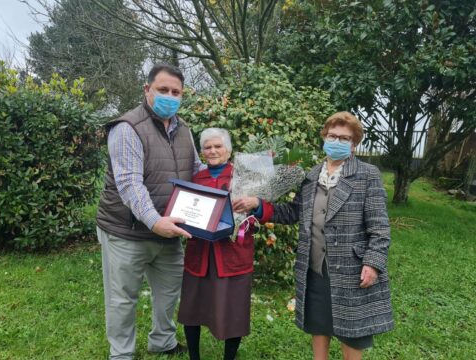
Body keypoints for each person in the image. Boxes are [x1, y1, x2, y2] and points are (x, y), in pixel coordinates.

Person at [233, 112, 394, 360]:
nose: (337, 141)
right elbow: (293, 212)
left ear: (354, 144)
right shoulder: (311, 175)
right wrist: (257, 204)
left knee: (352, 332)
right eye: (332, 136)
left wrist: (373, 263)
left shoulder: (367, 175)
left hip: (352, 268)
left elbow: (380, 227)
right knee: (319, 323)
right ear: (324, 137)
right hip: (315, 266)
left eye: (344, 138)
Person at [96, 64, 202, 359]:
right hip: (126, 231)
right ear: (147, 90)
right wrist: (156, 222)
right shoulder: (127, 128)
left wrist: (230, 177)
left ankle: (162, 341)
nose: (170, 96)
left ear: (183, 95)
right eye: (163, 90)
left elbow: (196, 172)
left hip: (170, 230)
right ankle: (122, 353)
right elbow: (129, 184)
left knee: (169, 292)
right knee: (122, 298)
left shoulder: (184, 131)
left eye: (176, 92)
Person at [177, 128, 269, 360]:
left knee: (233, 310)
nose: (213, 151)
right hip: (200, 253)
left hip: (233, 254)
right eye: (208, 147)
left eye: (218, 146)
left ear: (228, 150)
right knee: (192, 308)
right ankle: (194, 357)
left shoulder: (244, 176)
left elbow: (267, 210)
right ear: (202, 151)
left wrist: (255, 204)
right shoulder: (196, 178)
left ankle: (229, 357)